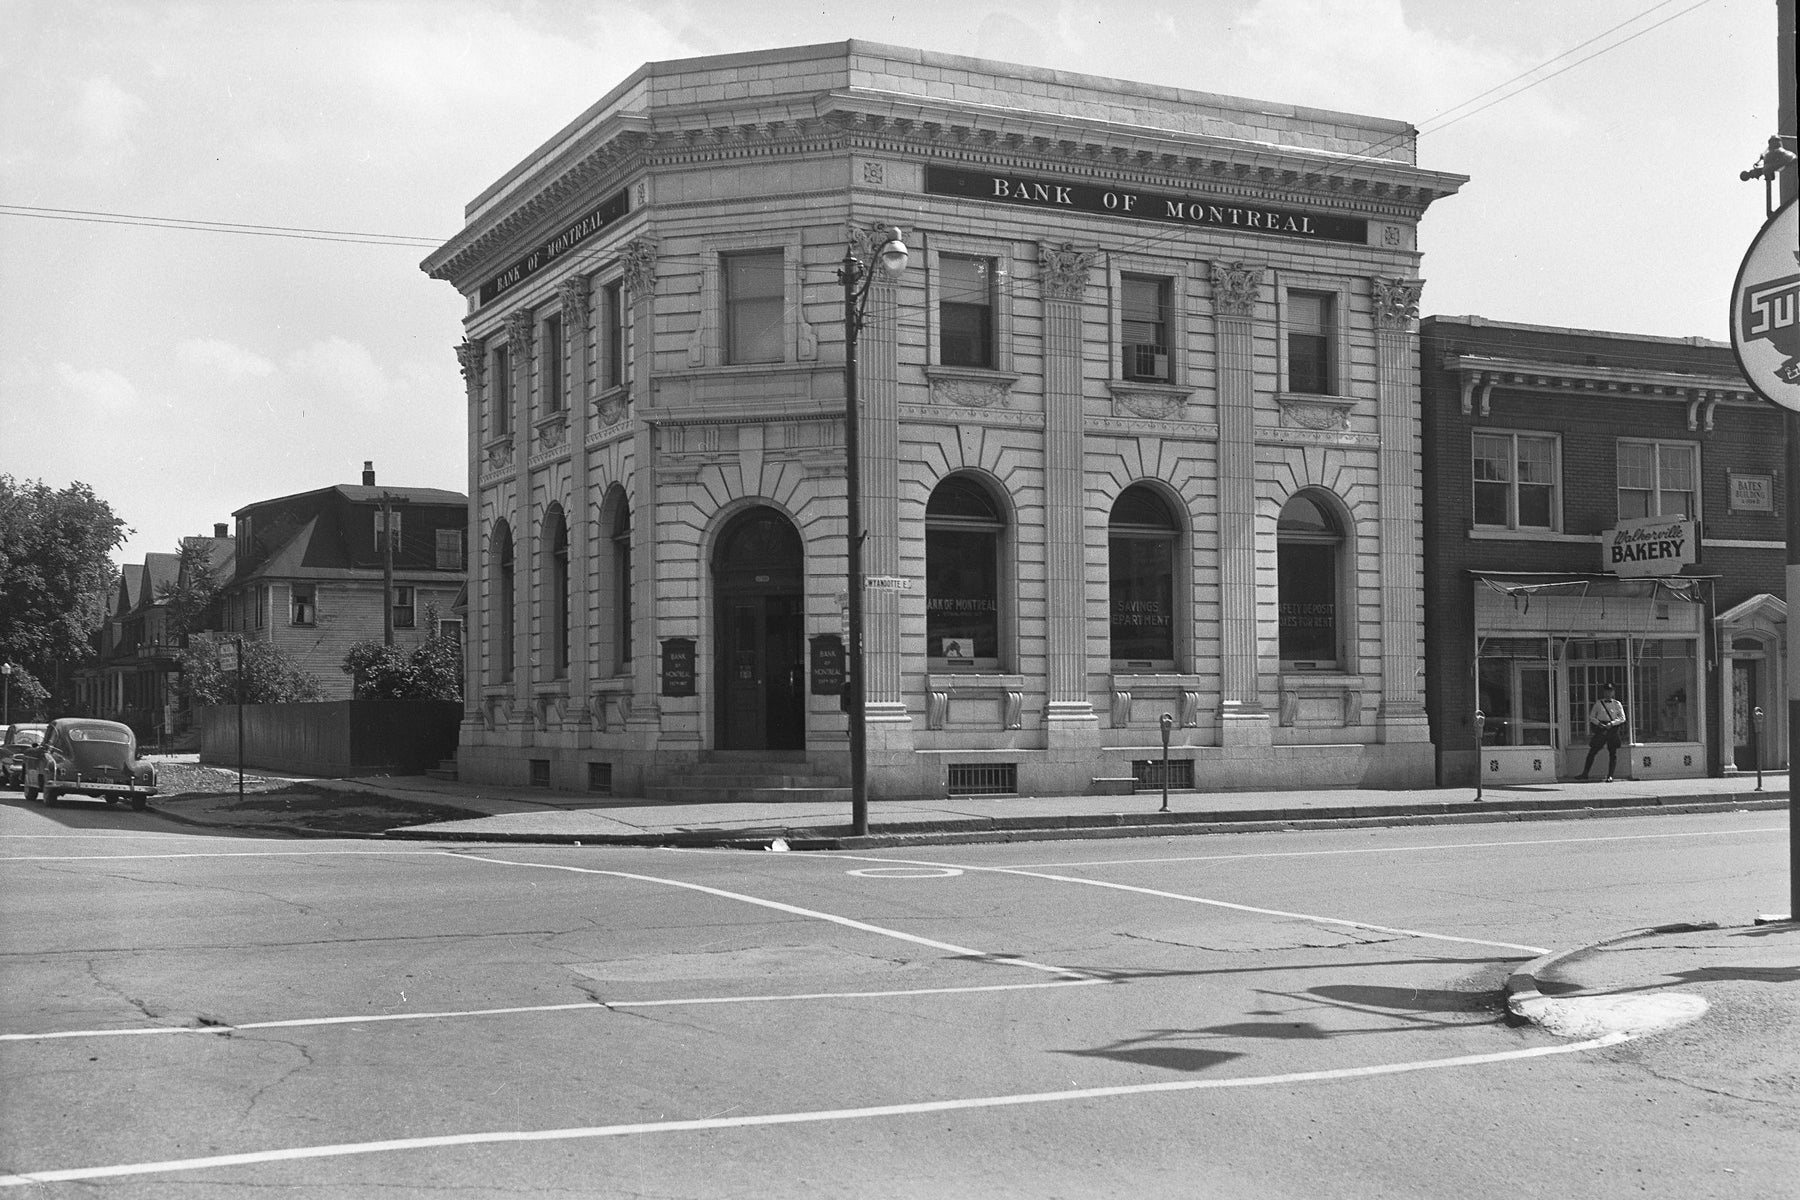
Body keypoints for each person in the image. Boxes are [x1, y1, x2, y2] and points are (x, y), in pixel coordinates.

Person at [1576, 683, 1627, 782]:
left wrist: (1612, 723)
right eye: (1606, 691)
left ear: (1613, 692)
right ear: (1604, 692)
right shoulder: (1598, 703)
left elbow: (1622, 718)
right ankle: (1585, 773)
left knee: (1613, 752)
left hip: (1612, 729)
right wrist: (1599, 723)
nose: (1608, 693)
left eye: (1610, 691)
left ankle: (1610, 775)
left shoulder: (1617, 704)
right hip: (1601, 728)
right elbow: (1592, 717)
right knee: (1592, 751)